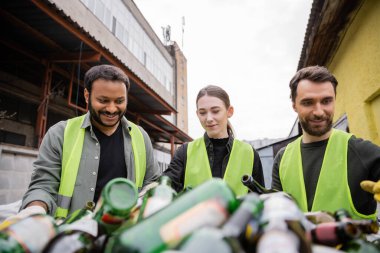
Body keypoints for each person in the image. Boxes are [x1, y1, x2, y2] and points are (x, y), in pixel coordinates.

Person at [16, 64, 160, 219]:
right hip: (70, 234)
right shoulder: (60, 134)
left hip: (122, 232)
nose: (112, 109)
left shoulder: (140, 137)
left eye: (119, 101)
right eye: (103, 100)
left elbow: (153, 181)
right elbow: (43, 185)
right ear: (87, 95)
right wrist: (34, 210)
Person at [271, 65, 380, 220]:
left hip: (357, 244)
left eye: (326, 101)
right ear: (295, 106)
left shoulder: (360, 151)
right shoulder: (282, 159)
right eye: (308, 103)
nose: (319, 111)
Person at [164, 85, 264, 196]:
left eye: (215, 111)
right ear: (197, 114)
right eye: (202, 113)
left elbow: (259, 198)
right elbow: (165, 188)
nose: (209, 119)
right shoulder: (184, 152)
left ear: (229, 111)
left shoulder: (249, 153)